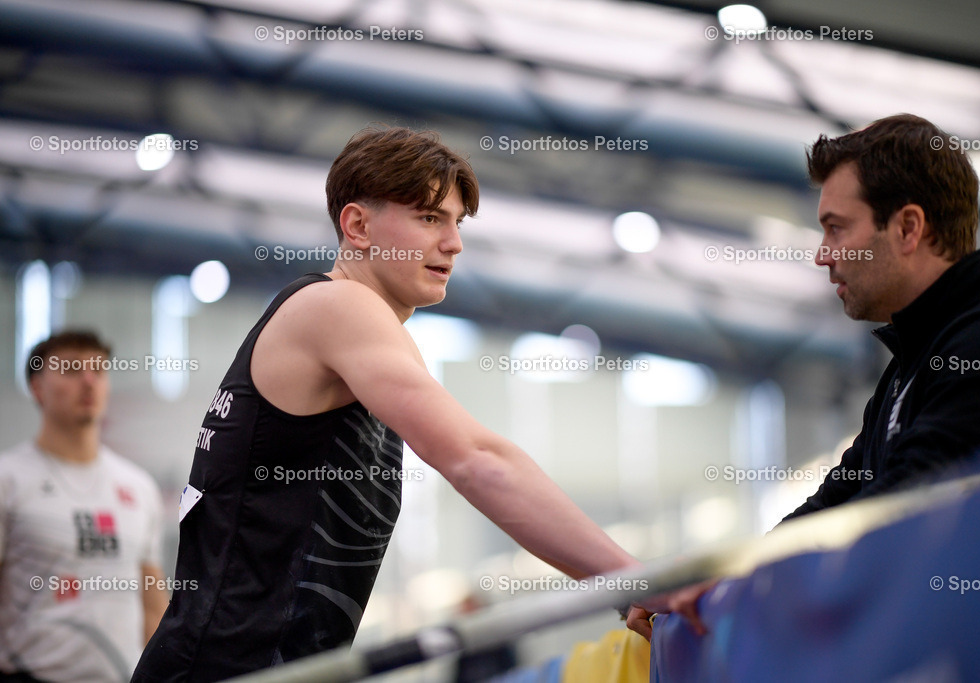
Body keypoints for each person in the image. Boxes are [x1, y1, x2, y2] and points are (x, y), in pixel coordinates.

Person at [132, 126, 640, 682]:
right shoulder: (338, 306)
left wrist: (620, 586)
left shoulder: (361, 334)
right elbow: (477, 459)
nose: (454, 243)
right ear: (358, 225)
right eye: (429, 218)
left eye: (457, 222)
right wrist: (635, 578)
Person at [626, 113, 980, 639]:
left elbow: (901, 507)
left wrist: (738, 580)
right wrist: (723, 575)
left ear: (908, 227)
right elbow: (836, 501)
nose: (822, 255)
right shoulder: (913, 360)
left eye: (837, 228)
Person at [0, 331, 168, 683]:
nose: (89, 381)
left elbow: (153, 606)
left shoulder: (138, 487)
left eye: (98, 370)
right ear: (37, 388)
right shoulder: (9, 480)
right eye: (72, 369)